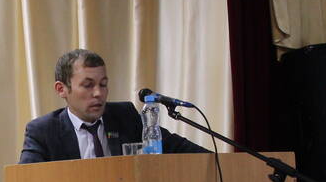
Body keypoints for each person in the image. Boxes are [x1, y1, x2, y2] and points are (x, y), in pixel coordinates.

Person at [18, 48, 206, 163]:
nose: (98, 93)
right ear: (62, 89)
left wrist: (219, 161)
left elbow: (180, 149)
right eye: (88, 85)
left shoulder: (125, 117)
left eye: (103, 84)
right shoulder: (43, 131)